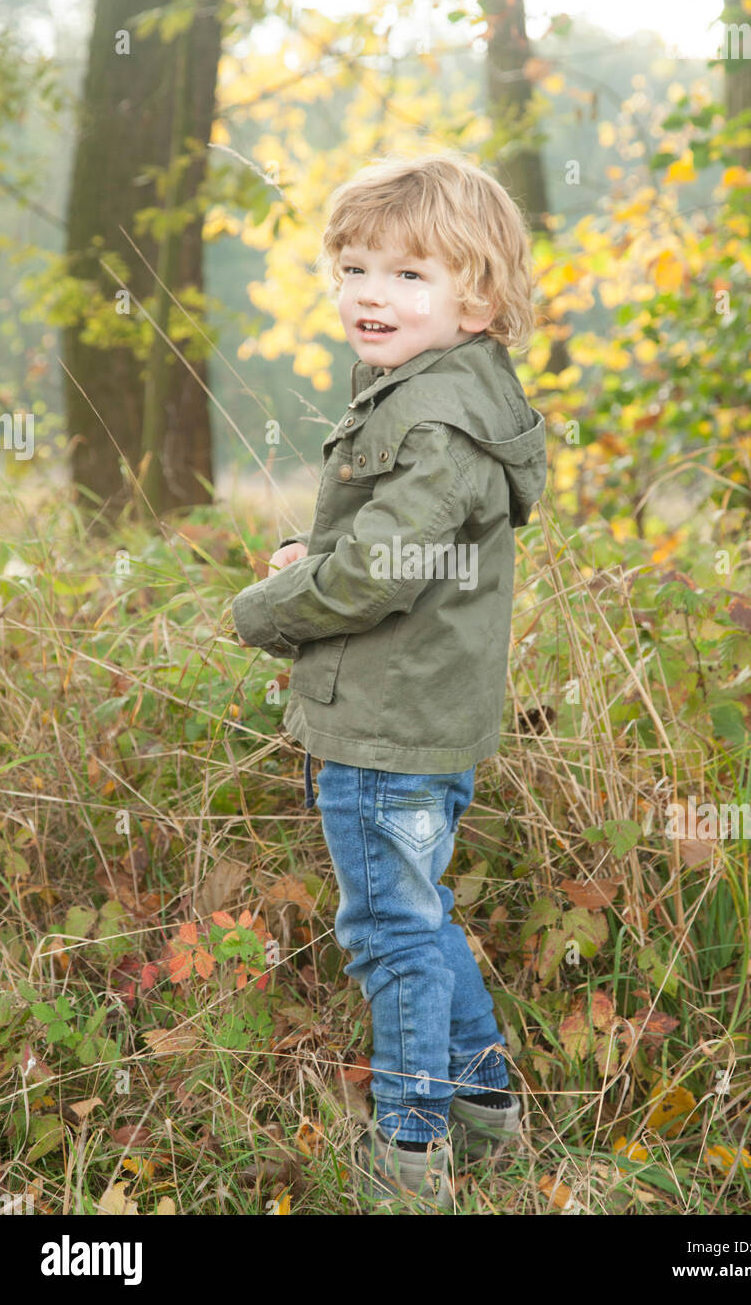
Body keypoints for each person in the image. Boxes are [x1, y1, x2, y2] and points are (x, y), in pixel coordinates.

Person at [231, 151, 548, 1210]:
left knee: (389, 933)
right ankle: (485, 1106)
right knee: (421, 913)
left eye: (409, 274)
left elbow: (383, 568)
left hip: (383, 723)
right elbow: (390, 541)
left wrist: (269, 610)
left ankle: (410, 1156)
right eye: (354, 266)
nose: (371, 292)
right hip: (424, 707)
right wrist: (310, 559)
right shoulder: (448, 387)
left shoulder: (432, 414)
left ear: (479, 296)